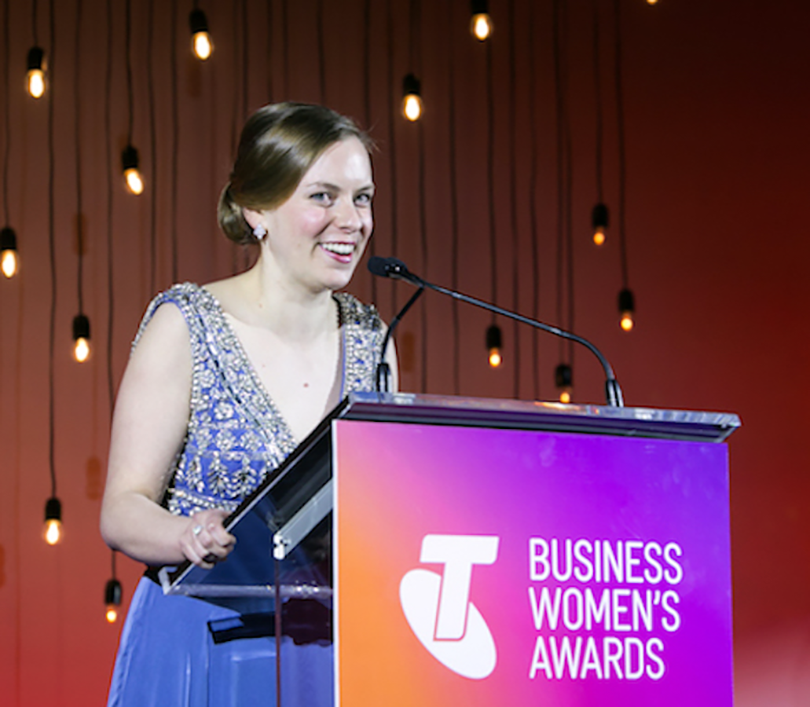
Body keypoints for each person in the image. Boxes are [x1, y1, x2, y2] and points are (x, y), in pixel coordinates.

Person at [100, 102, 397, 707]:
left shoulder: (372, 339)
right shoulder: (185, 325)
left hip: (328, 653)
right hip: (203, 642)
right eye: (323, 196)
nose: (351, 220)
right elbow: (122, 509)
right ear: (255, 208)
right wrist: (187, 535)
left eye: (361, 198)